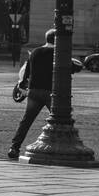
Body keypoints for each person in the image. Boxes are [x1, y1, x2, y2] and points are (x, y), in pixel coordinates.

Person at [9, 29, 76, 159]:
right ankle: (66, 146)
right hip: (52, 93)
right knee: (63, 120)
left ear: (46, 39)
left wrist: (22, 86)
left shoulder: (35, 52)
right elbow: (72, 68)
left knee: (26, 121)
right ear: (57, 40)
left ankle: (14, 147)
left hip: (34, 91)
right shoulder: (59, 53)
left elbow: (26, 73)